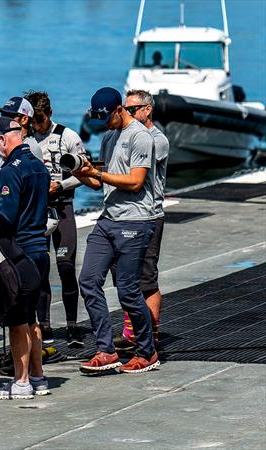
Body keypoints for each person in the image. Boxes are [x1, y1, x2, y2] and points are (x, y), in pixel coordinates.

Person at [72, 87, 160, 374]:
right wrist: (80, 173)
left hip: (135, 220)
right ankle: (106, 350)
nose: (103, 124)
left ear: (119, 109)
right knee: (88, 280)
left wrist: (98, 173)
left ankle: (147, 353)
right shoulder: (109, 137)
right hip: (108, 219)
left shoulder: (141, 137)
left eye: (106, 118)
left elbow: (135, 182)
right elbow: (101, 183)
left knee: (127, 290)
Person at [0, 117, 50, 400]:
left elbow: (6, 216)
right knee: (32, 319)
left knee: (18, 321)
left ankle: (21, 383)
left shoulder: (10, 171)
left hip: (19, 253)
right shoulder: (39, 166)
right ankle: (38, 377)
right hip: (40, 249)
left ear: (3, 139)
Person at [25, 90, 88, 347]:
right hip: (37, 212)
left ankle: (72, 324)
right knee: (40, 270)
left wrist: (60, 185)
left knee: (65, 265)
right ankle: (45, 324)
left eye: (39, 119)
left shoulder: (67, 136)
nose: (35, 125)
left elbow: (84, 172)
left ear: (49, 114)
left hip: (62, 209)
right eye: (32, 120)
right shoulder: (25, 138)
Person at [114, 90, 169, 352]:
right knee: (126, 277)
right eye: (126, 109)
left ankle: (152, 335)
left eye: (133, 109)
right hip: (127, 213)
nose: (128, 113)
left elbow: (133, 174)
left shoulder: (156, 140)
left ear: (147, 110)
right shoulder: (126, 136)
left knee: (147, 278)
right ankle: (131, 331)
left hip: (150, 214)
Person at [0, 97, 44, 162]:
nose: (4, 120)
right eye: (3, 115)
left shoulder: (30, 149)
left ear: (24, 119)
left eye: (9, 116)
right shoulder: (11, 145)